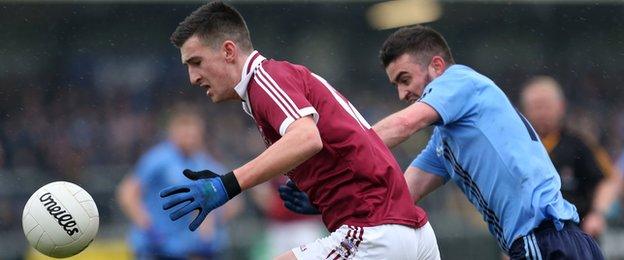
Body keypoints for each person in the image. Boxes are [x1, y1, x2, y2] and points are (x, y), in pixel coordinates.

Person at [281, 25, 604, 259]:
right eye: (395, 85)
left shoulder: (459, 80)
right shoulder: (444, 143)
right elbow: (398, 198)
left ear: (437, 66)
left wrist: (325, 166)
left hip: (545, 241)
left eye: (405, 79)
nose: (402, 94)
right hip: (550, 243)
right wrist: (334, 199)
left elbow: (404, 124)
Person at [159, 2, 440, 259]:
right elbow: (352, 144)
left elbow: (306, 138)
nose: (193, 78)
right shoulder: (278, 80)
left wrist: (227, 184)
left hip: (374, 230)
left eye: (196, 62)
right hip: (410, 230)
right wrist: (323, 193)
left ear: (229, 51)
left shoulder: (264, 78)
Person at [117, 106, 241, 259]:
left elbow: (233, 203)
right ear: (172, 132)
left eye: (193, 133)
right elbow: (127, 193)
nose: (189, 137)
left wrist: (211, 225)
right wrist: (148, 226)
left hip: (189, 250)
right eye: (184, 132)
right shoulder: (158, 159)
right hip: (155, 247)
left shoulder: (206, 164)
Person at [521, 76, 621, 238]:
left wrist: (598, 214)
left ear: (561, 106)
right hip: (533, 240)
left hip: (578, 236)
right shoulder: (519, 150)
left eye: (546, 106)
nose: (541, 112)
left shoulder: (579, 145)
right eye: (535, 106)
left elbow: (608, 181)